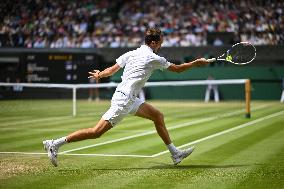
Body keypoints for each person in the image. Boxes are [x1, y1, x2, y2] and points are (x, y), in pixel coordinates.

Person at [43, 28, 210, 167]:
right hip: (123, 101)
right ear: (153, 43)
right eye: (160, 42)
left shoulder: (131, 53)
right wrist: (196, 63)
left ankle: (175, 154)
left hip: (128, 98)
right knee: (96, 132)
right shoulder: (153, 57)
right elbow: (178, 69)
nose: (161, 45)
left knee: (158, 116)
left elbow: (112, 69)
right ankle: (55, 144)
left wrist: (100, 74)